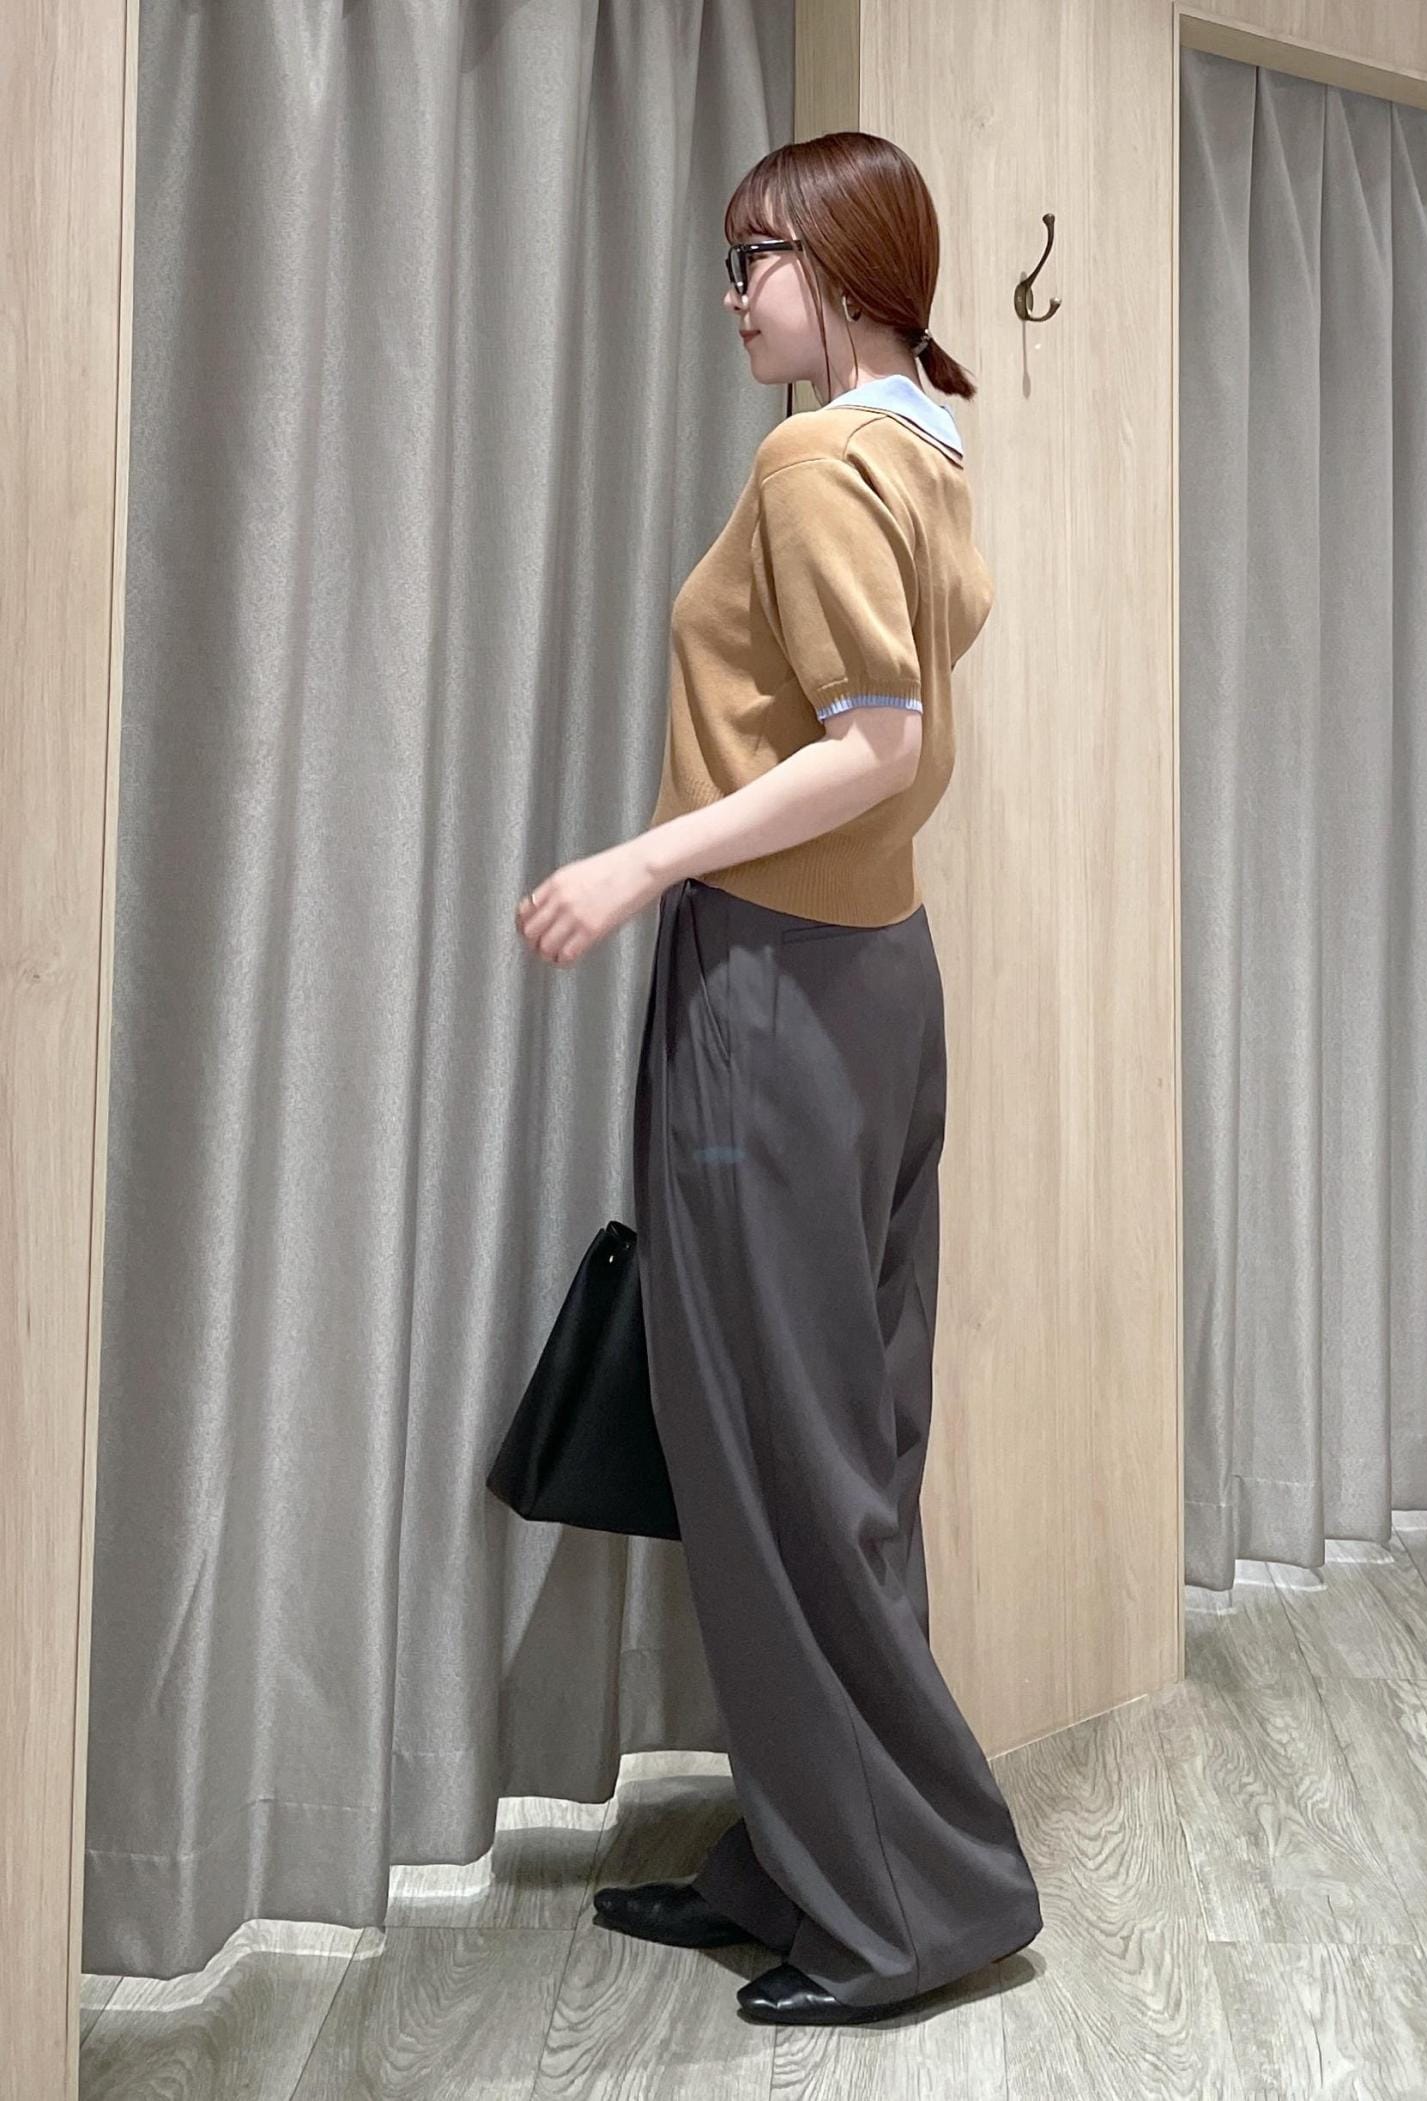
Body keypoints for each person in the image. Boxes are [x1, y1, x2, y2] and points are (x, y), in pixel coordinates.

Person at [515, 130, 1042, 2027]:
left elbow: (873, 742)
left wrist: (635, 863)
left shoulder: (817, 459)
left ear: (851, 267)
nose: (736, 290)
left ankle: (917, 1901)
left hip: (772, 982)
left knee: (770, 1449)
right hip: (876, 986)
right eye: (732, 259)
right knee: (847, 1446)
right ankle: (810, 1856)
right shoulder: (924, 451)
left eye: (764, 258)